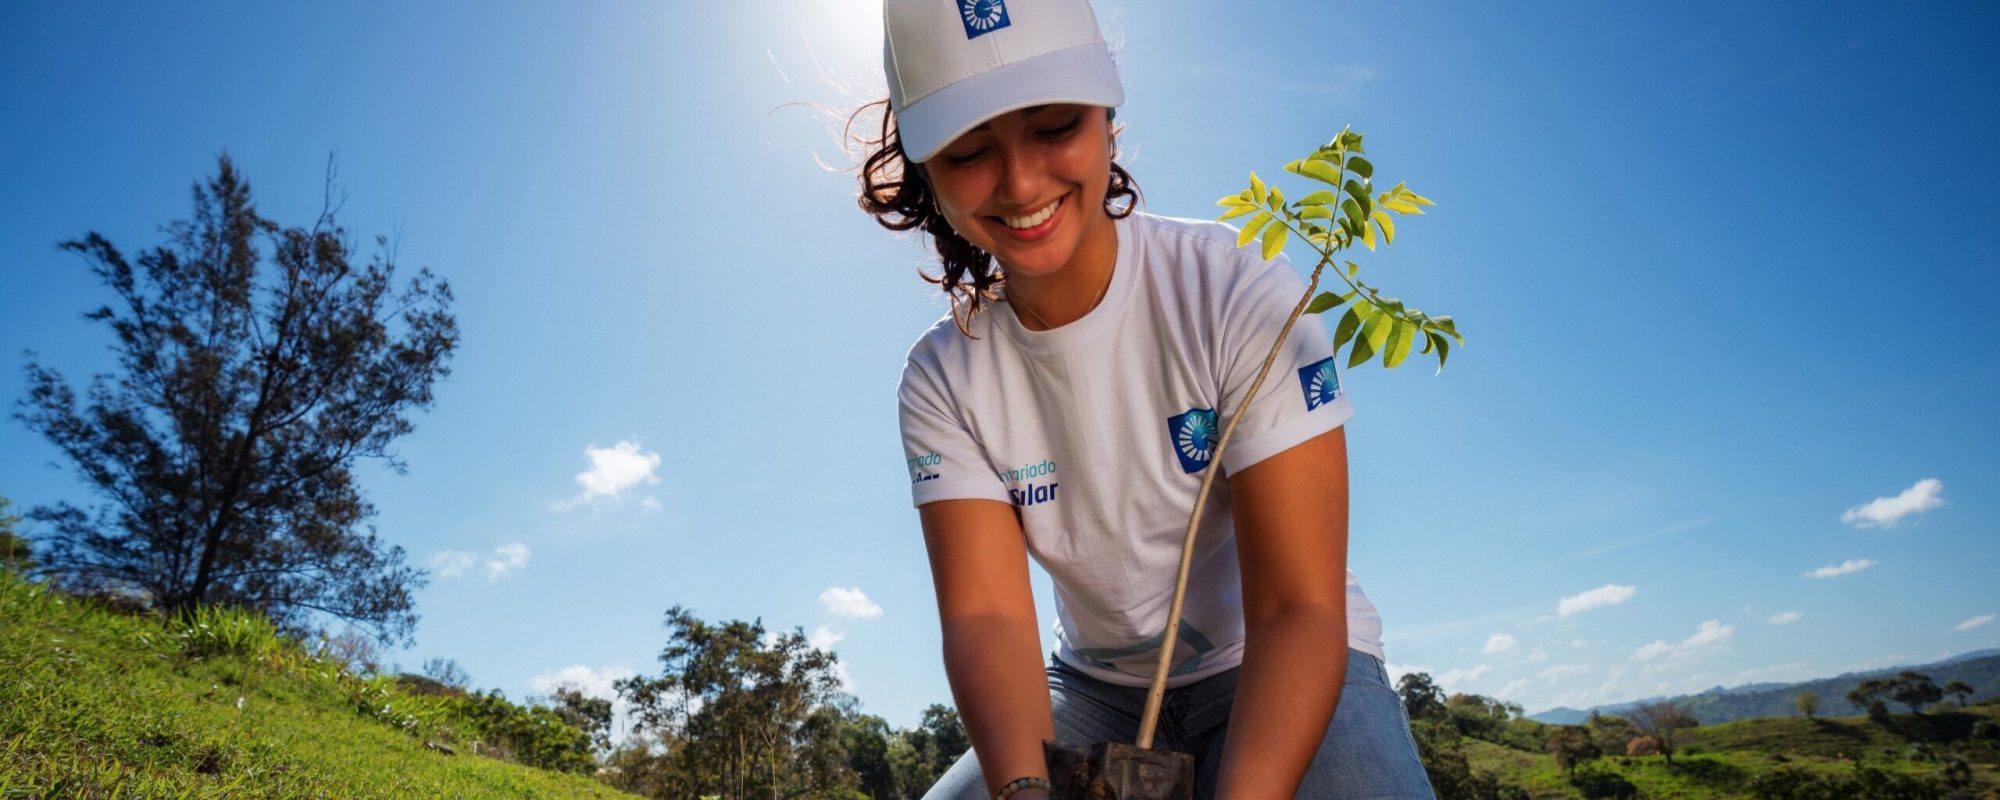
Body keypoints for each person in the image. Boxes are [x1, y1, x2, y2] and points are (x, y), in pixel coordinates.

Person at [853, 2, 1436, 798]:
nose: (1022, 181)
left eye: (1055, 125)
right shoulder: (943, 377)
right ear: (927, 169)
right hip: (1090, 692)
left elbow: (1296, 606)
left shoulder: (1237, 291)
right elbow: (987, 617)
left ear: (1107, 118)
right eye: (968, 151)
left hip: (1271, 655)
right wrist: (1027, 792)